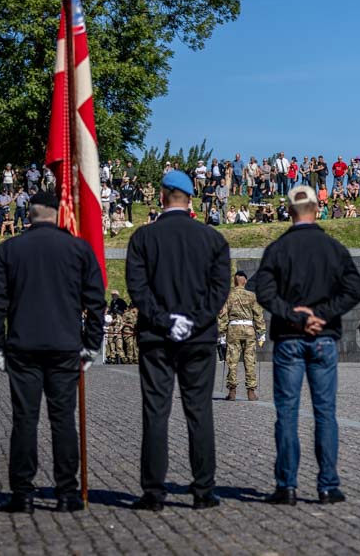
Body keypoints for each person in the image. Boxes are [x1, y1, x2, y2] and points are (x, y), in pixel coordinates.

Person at [0, 191, 105, 513]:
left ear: (30, 214)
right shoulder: (78, 248)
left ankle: (22, 493)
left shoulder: (9, 249)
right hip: (65, 345)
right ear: (58, 213)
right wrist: (92, 343)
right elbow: (95, 301)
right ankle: (67, 492)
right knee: (63, 420)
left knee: (24, 420)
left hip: (22, 345)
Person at [125, 170, 231, 511]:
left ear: (162, 196)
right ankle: (203, 491)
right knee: (199, 412)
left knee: (155, 413)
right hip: (198, 338)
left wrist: (165, 320)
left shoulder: (143, 238)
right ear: (190, 198)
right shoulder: (213, 240)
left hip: (157, 337)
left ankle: (153, 493)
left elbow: (138, 289)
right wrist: (193, 322)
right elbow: (219, 292)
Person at [251, 185, 360, 506]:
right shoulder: (334, 248)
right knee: (325, 413)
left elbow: (263, 291)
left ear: (289, 211)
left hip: (288, 339)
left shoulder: (277, 249)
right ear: (317, 209)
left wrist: (296, 317)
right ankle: (328, 485)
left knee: (287, 413)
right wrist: (322, 315)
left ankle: (286, 486)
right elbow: (353, 289)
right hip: (324, 339)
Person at [219, 270, 266, 401]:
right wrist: (261, 332)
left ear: (234, 281)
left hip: (233, 329)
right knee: (250, 360)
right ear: (245, 281)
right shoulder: (252, 296)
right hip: (249, 329)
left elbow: (222, 316)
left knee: (232, 360)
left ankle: (232, 391)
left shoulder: (228, 296)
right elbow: (258, 315)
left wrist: (221, 334)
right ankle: (251, 392)